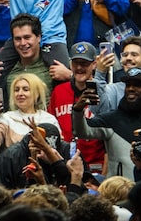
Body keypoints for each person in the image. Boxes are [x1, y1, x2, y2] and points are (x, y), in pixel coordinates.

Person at [73, 68, 141, 178]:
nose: (131, 89)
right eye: (128, 85)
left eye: (137, 85)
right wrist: (78, 110)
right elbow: (82, 131)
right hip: (120, 192)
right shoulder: (112, 119)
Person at [47, 42, 109, 173]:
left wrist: (103, 177)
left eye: (84, 63)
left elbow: (109, 141)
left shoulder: (103, 93)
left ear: (94, 64)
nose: (79, 68)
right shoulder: (59, 91)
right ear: (70, 64)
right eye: (76, 63)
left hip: (94, 168)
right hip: (64, 165)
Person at [0, 73, 60, 152]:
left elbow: (57, 148)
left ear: (37, 94)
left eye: (25, 89)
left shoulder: (49, 119)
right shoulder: (6, 119)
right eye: (16, 90)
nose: (20, 94)